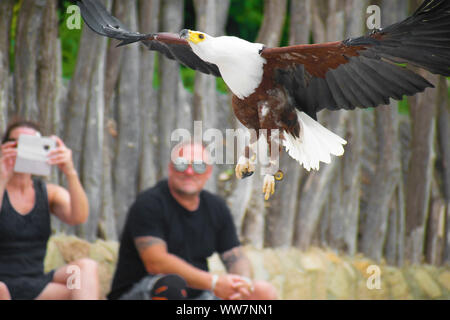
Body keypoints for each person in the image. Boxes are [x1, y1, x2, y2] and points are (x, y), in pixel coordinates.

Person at [108, 141, 277, 300]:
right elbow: (156, 263)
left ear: (208, 172)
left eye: (199, 166)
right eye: (181, 164)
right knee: (171, 285)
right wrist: (214, 283)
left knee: (262, 291)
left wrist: (241, 284)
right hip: (143, 292)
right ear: (171, 168)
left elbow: (236, 257)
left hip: (197, 295)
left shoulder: (216, 207)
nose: (189, 172)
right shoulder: (149, 203)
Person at [0, 119, 99, 300]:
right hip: (3, 284)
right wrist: (2, 176)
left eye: (30, 145)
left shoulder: (48, 193)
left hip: (36, 281)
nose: (23, 150)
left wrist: (69, 171)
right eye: (16, 143)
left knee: (85, 269)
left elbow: (79, 216)